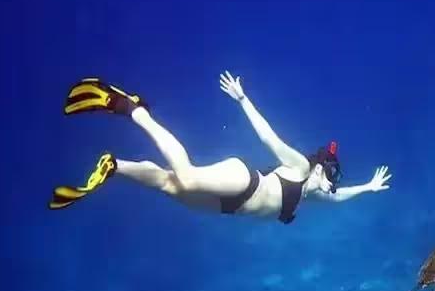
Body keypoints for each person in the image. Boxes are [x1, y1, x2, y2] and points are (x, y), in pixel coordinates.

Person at [49, 72, 392, 223]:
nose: (333, 182)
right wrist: (243, 99)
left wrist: (368, 187)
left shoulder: (311, 194)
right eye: (332, 174)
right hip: (244, 180)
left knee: (170, 185)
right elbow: (268, 138)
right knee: (187, 176)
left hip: (229, 207)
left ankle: (115, 167)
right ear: (319, 167)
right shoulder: (301, 168)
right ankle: (133, 108)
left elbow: (339, 197)